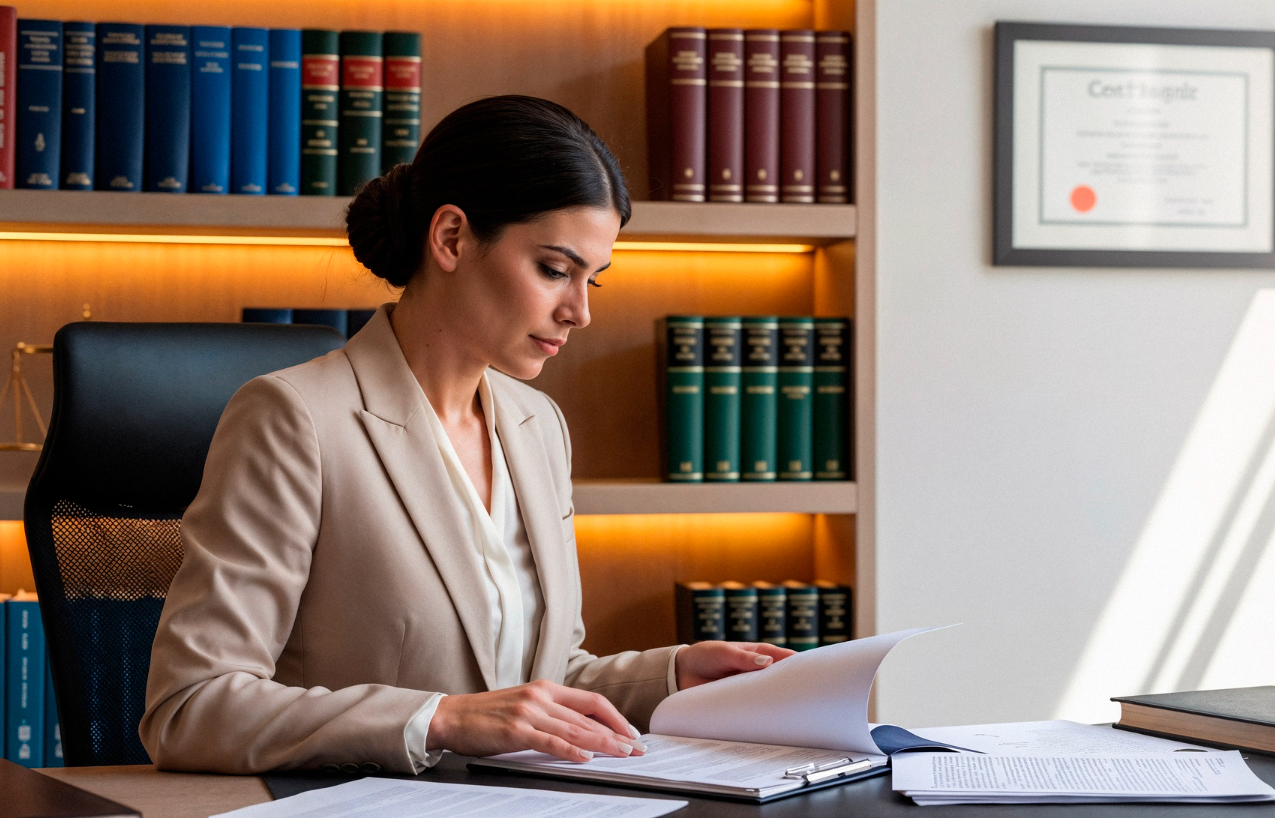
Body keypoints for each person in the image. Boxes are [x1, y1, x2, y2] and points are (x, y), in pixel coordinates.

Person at [140, 96, 792, 774]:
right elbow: (191, 709)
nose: (581, 311)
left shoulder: (538, 425)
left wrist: (673, 674)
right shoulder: (295, 419)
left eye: (592, 279)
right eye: (553, 269)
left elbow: (533, 677)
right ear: (450, 238)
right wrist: (441, 717)